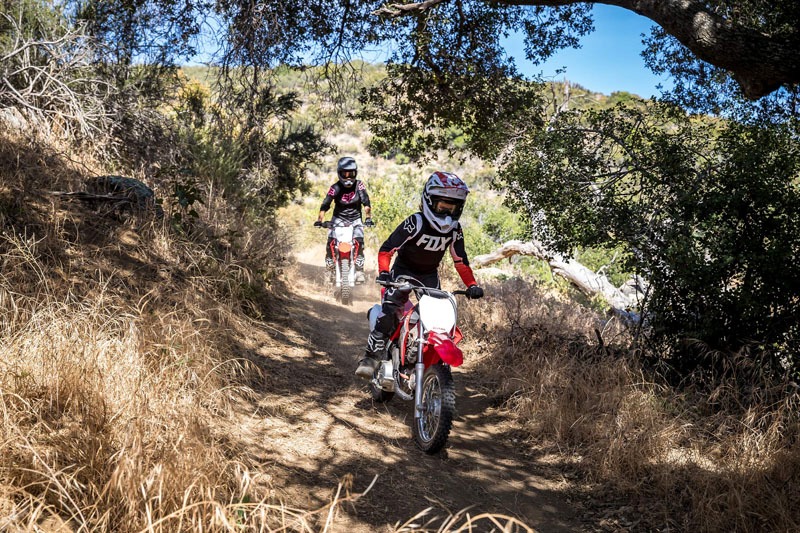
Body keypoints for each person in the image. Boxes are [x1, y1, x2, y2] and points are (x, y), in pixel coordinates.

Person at [355, 171, 484, 379]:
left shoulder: (454, 230)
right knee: (391, 309)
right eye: (442, 207)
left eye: (452, 208)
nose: (447, 214)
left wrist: (471, 285)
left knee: (438, 317)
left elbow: (460, 260)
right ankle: (371, 357)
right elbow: (387, 249)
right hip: (402, 271)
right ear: (429, 201)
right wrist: (385, 273)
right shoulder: (416, 222)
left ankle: (421, 355)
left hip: (429, 275)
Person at [314, 156, 374, 283]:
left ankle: (359, 271)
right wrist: (320, 220)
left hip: (356, 219)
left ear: (355, 173)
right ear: (339, 173)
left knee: (359, 242)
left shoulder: (359, 185)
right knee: (331, 242)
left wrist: (368, 218)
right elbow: (326, 204)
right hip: (338, 219)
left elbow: (366, 202)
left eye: (351, 174)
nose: (348, 177)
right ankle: (330, 269)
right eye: (345, 174)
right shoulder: (335, 187)